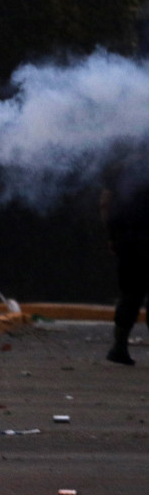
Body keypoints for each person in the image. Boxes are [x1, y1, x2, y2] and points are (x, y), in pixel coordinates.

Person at [101, 147, 149, 366]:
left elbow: (105, 203)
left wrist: (112, 236)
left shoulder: (120, 168)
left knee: (130, 294)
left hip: (127, 241)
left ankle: (119, 347)